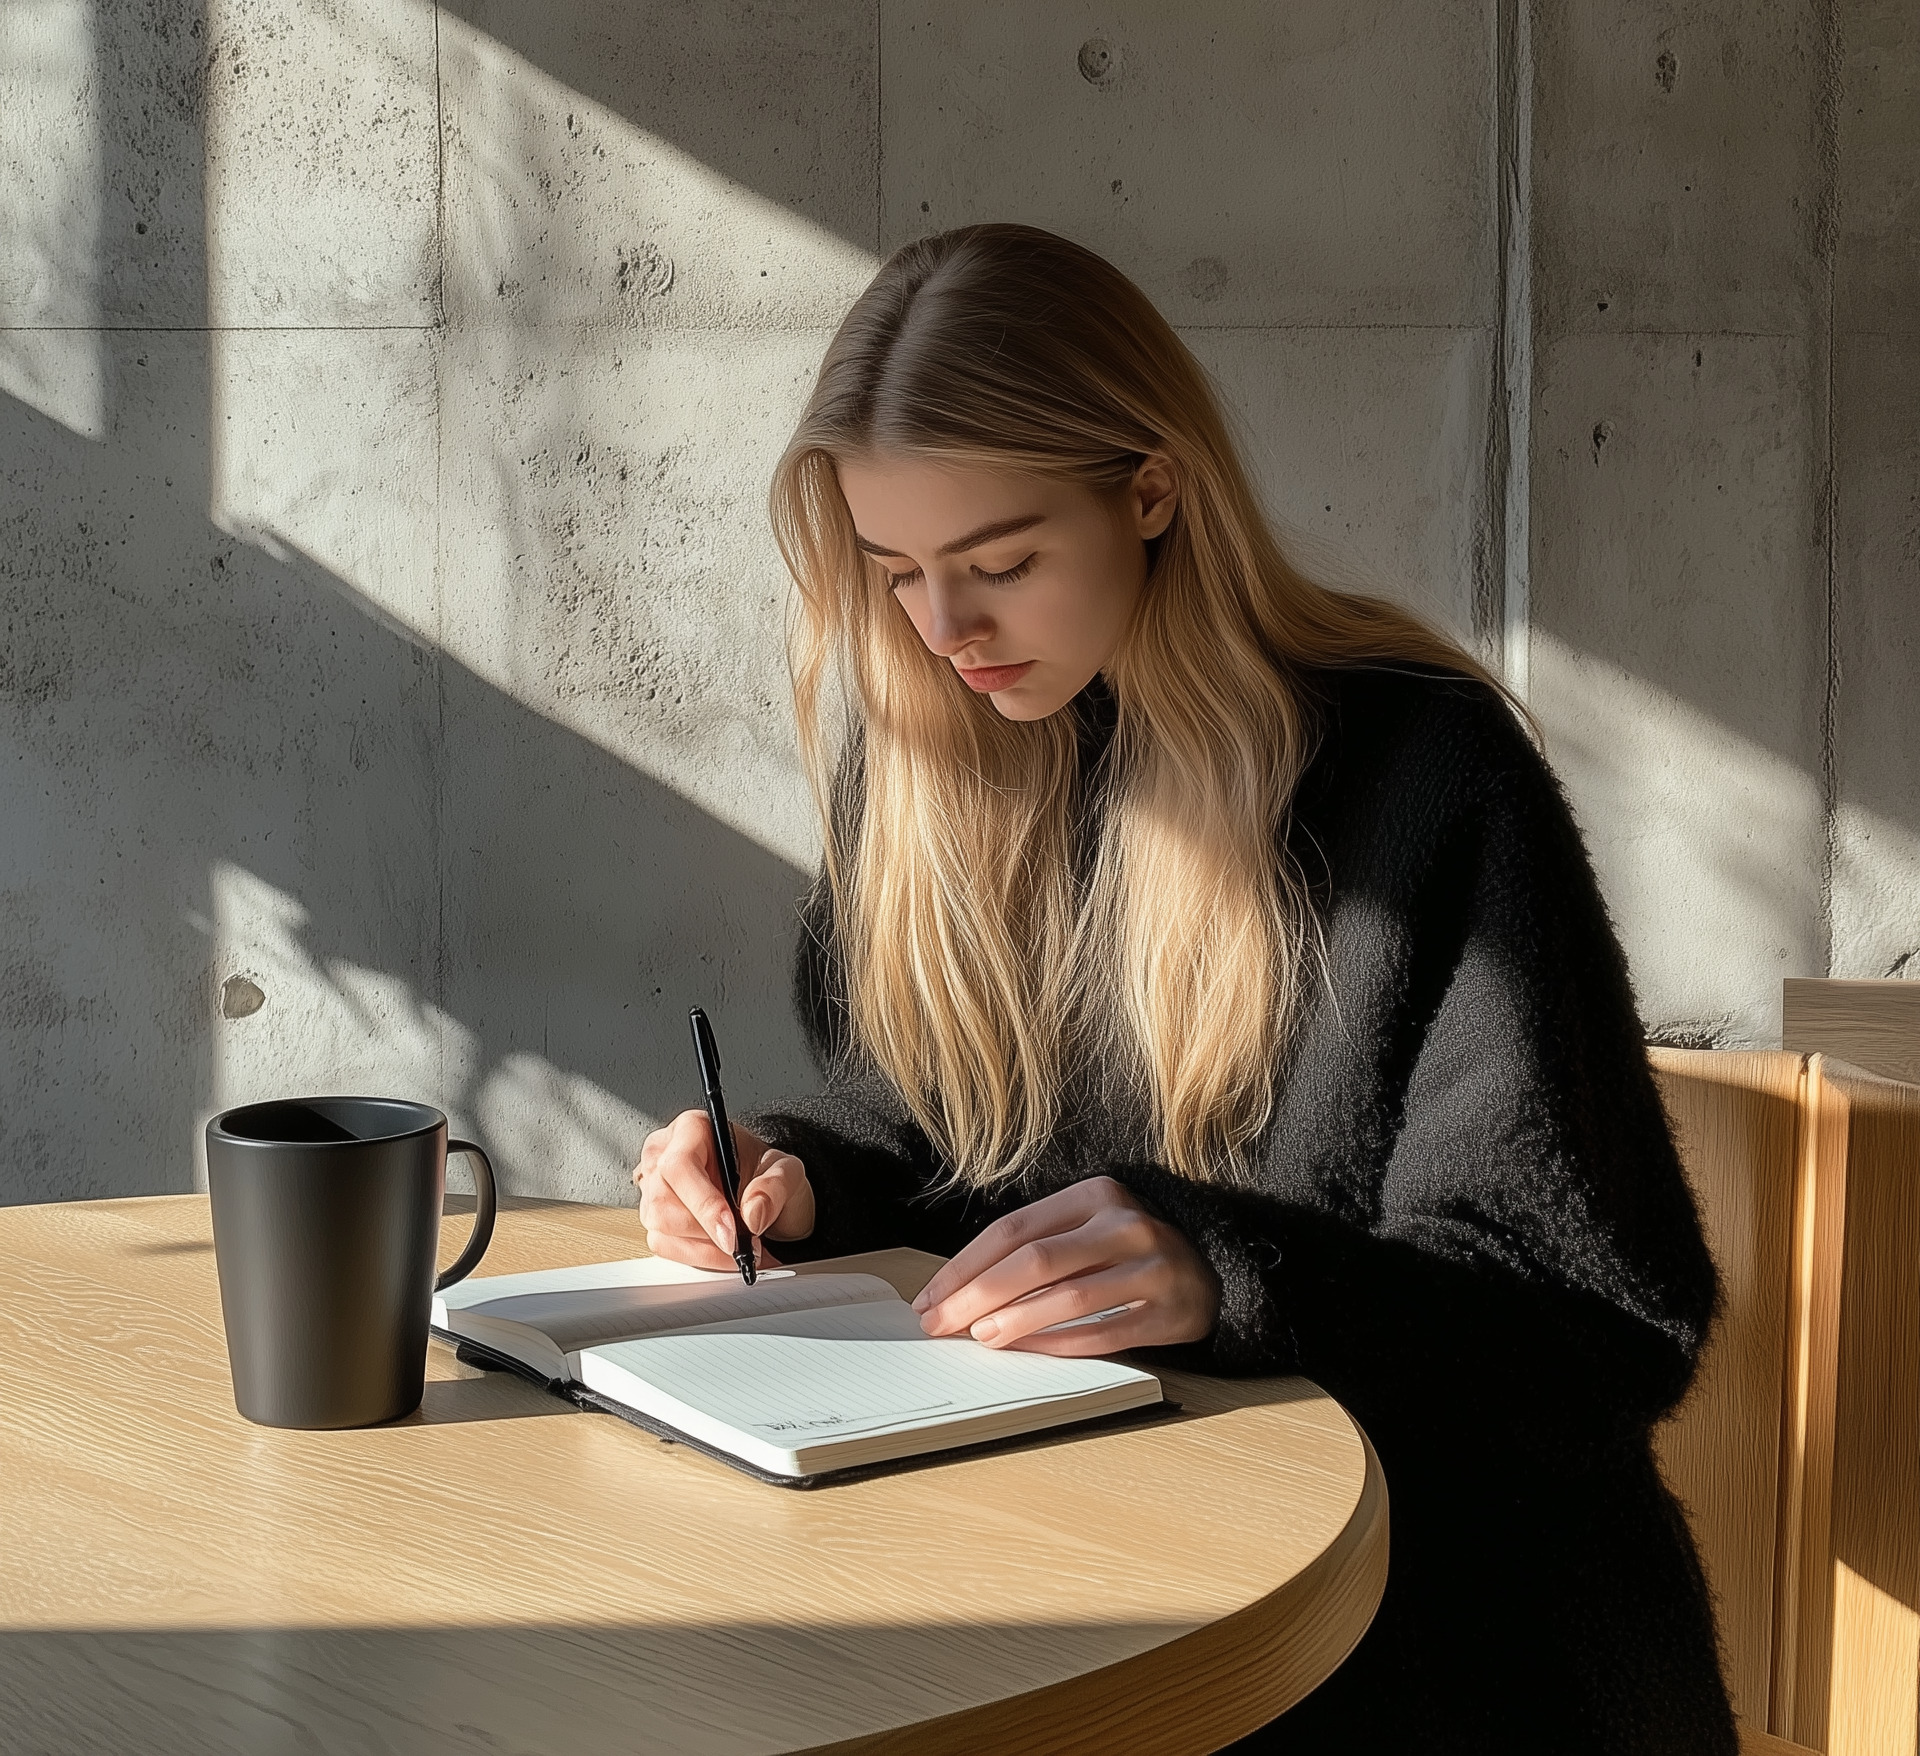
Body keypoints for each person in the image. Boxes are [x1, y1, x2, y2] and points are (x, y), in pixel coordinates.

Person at [635, 223, 1735, 1755]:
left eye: (1002, 563)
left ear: (1151, 489)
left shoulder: (1425, 777)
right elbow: (940, 1129)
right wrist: (793, 1170)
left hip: (1446, 1648)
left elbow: (1593, 1319)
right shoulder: (944, 756)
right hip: (1101, 1583)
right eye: (897, 576)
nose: (946, 632)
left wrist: (1232, 1270)